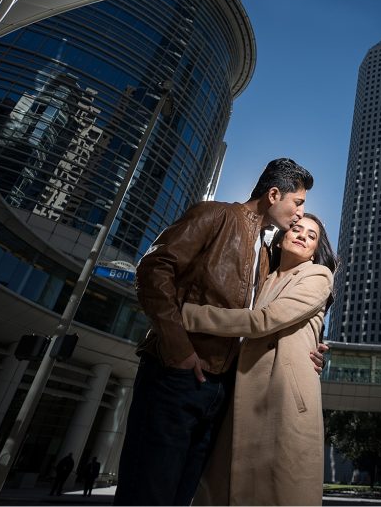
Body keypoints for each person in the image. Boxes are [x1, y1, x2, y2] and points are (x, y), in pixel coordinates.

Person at [114, 158, 326, 505]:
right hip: (176, 375)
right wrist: (179, 347)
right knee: (148, 493)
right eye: (298, 203)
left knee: (183, 496)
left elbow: (266, 320)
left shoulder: (267, 258)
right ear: (274, 194)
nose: (300, 215)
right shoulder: (214, 215)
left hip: (220, 390)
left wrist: (310, 350)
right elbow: (153, 269)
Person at [182, 212, 336, 505]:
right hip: (242, 388)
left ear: (316, 250)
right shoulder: (262, 279)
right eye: (296, 229)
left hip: (282, 394)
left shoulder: (317, 275)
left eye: (311, 235)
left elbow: (262, 321)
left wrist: (189, 314)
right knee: (223, 486)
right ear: (280, 241)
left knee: (279, 487)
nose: (302, 235)